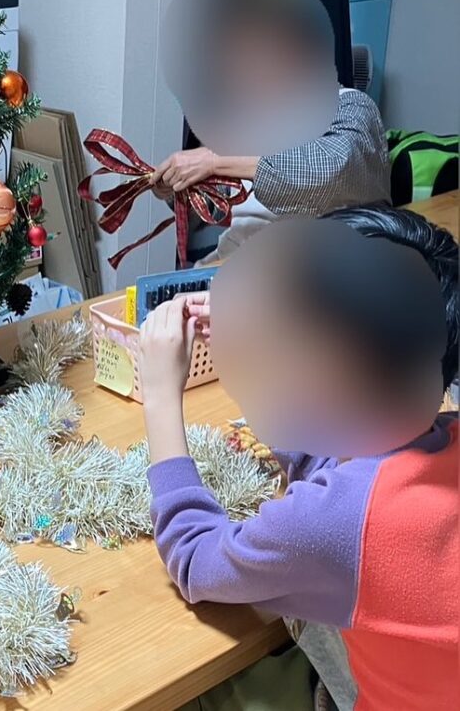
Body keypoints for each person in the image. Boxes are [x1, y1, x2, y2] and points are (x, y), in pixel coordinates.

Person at [137, 205, 459, 709]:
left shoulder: (332, 524)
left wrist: (159, 394)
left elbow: (195, 558)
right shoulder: (439, 434)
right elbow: (346, 458)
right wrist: (255, 340)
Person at [151, 88, 391, 263]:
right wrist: (177, 189)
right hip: (237, 265)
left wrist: (215, 160)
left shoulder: (352, 106)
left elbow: (330, 171)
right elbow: (210, 209)